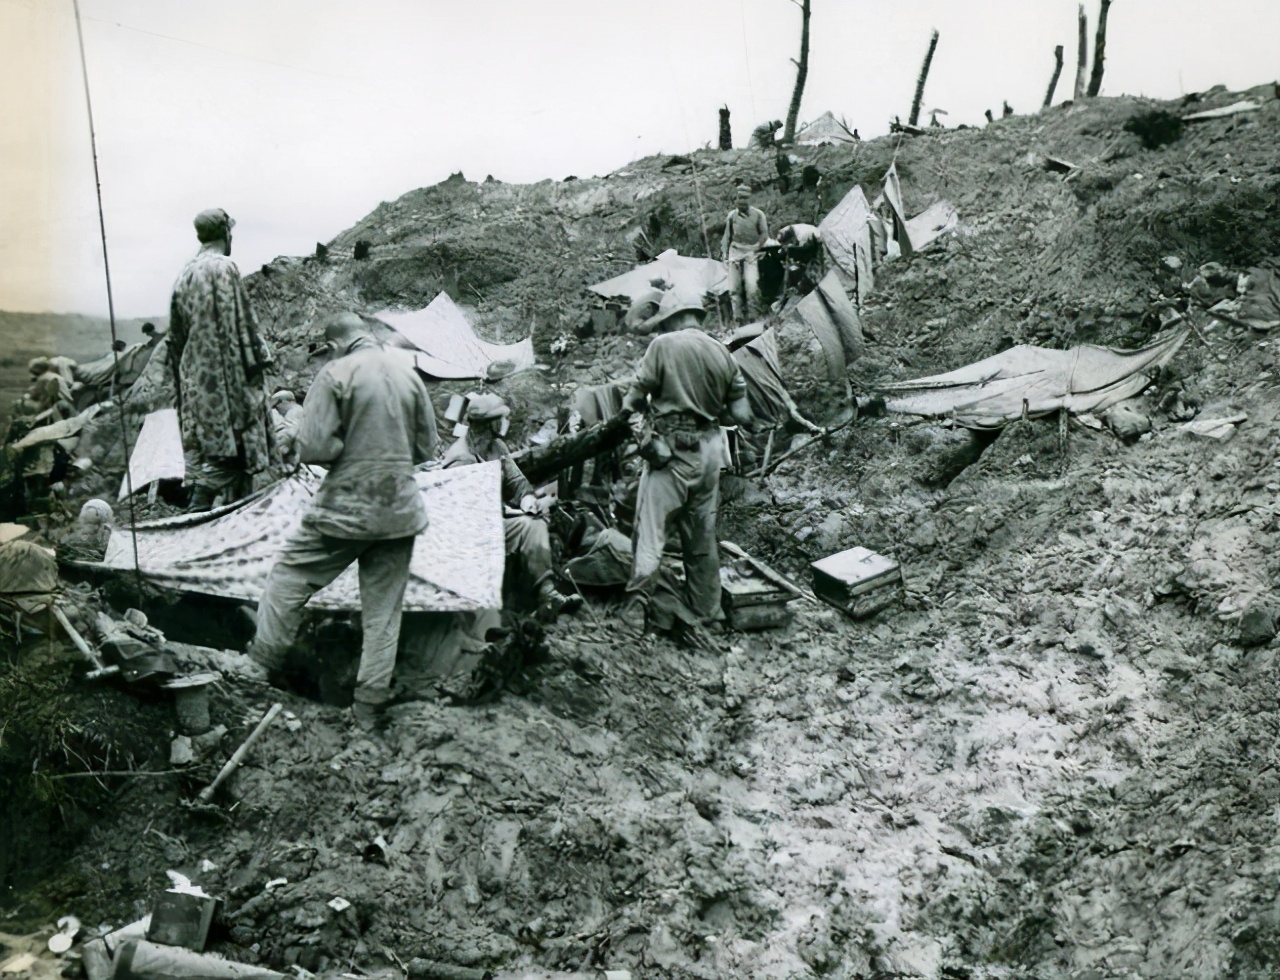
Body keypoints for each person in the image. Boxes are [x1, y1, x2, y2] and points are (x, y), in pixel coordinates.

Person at [248, 312, 439, 731]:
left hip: (346, 508)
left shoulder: (335, 373)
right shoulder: (409, 373)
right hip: (400, 511)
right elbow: (427, 448)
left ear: (334, 345)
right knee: (383, 614)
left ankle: (257, 673)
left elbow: (315, 449)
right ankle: (368, 710)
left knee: (287, 577)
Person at [621, 289, 753, 633]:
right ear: (697, 315)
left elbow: (632, 403)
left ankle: (636, 610)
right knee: (702, 536)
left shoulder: (662, 346)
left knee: (650, 531)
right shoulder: (723, 353)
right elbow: (740, 413)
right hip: (710, 450)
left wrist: (647, 441)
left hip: (672, 448)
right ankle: (708, 611)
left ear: (671, 318)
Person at [168, 208, 279, 510]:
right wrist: (259, 362)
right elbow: (243, 323)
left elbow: (175, 335)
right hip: (226, 374)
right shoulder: (225, 268)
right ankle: (209, 509)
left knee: (212, 448)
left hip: (194, 373)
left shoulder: (184, 273)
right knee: (236, 450)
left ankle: (209, 506)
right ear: (226, 233)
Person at [442, 393, 581, 624]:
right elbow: (468, 515)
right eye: (499, 419)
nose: (503, 423)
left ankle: (548, 594)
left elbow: (516, 481)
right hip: (468, 534)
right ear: (488, 423)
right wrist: (509, 512)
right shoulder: (462, 459)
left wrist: (527, 499)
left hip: (493, 522)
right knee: (527, 525)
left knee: (534, 523)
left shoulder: (496, 447)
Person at [720, 185, 768, 323]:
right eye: (740, 198)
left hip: (751, 252)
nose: (742, 201)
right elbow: (727, 237)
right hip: (735, 252)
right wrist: (725, 256)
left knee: (752, 286)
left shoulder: (759, 215)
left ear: (750, 199)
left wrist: (758, 248)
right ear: (736, 199)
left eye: (745, 198)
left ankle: (754, 317)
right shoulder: (731, 216)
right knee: (734, 289)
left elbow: (764, 234)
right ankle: (738, 319)